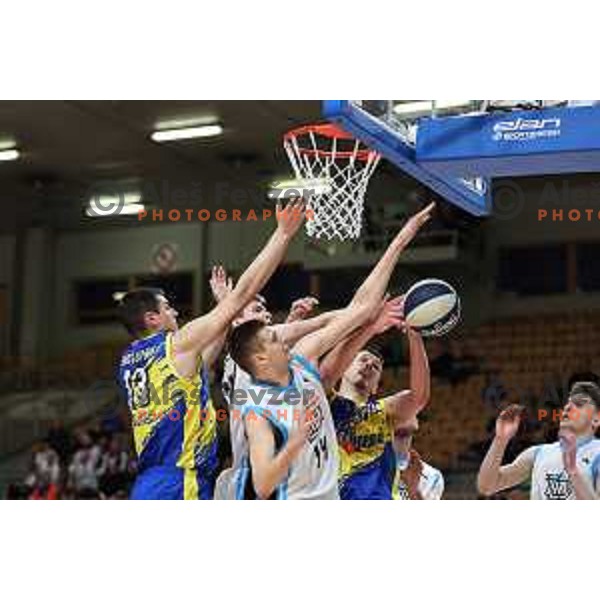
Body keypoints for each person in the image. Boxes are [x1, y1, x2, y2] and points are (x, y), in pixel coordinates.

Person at [217, 203, 435, 499]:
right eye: (274, 336)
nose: (282, 333)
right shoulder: (258, 400)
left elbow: (360, 308)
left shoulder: (301, 361)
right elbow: (265, 482)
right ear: (261, 357)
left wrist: (400, 240)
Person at [116, 199, 306, 499]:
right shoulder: (175, 344)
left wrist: (225, 313)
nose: (175, 313)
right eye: (168, 308)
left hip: (151, 481)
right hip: (181, 480)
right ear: (152, 318)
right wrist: (282, 235)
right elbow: (242, 293)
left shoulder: (130, 360)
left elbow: (200, 366)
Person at [321, 306, 442, 499]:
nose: (369, 365)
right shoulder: (325, 401)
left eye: (376, 366)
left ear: (376, 386)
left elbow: (419, 397)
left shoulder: (383, 410)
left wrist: (415, 336)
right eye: (363, 360)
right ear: (344, 368)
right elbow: (326, 373)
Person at [477, 381, 600, 500]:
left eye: (579, 404)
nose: (568, 407)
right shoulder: (539, 453)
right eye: (568, 403)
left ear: (596, 419)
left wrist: (573, 472)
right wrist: (500, 440)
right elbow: (487, 486)